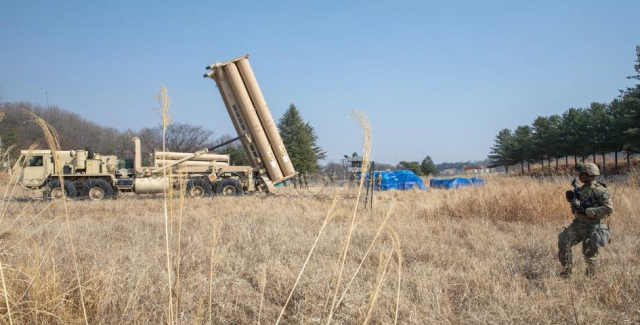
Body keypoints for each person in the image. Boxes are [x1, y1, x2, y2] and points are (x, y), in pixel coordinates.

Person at [558, 163, 613, 278]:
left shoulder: (600, 190)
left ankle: (591, 279)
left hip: (593, 226)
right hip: (578, 225)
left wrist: (589, 211)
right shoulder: (582, 189)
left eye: (582, 173)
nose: (580, 176)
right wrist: (572, 199)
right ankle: (566, 272)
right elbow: (579, 206)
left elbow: (608, 209)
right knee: (563, 241)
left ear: (589, 174)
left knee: (589, 254)